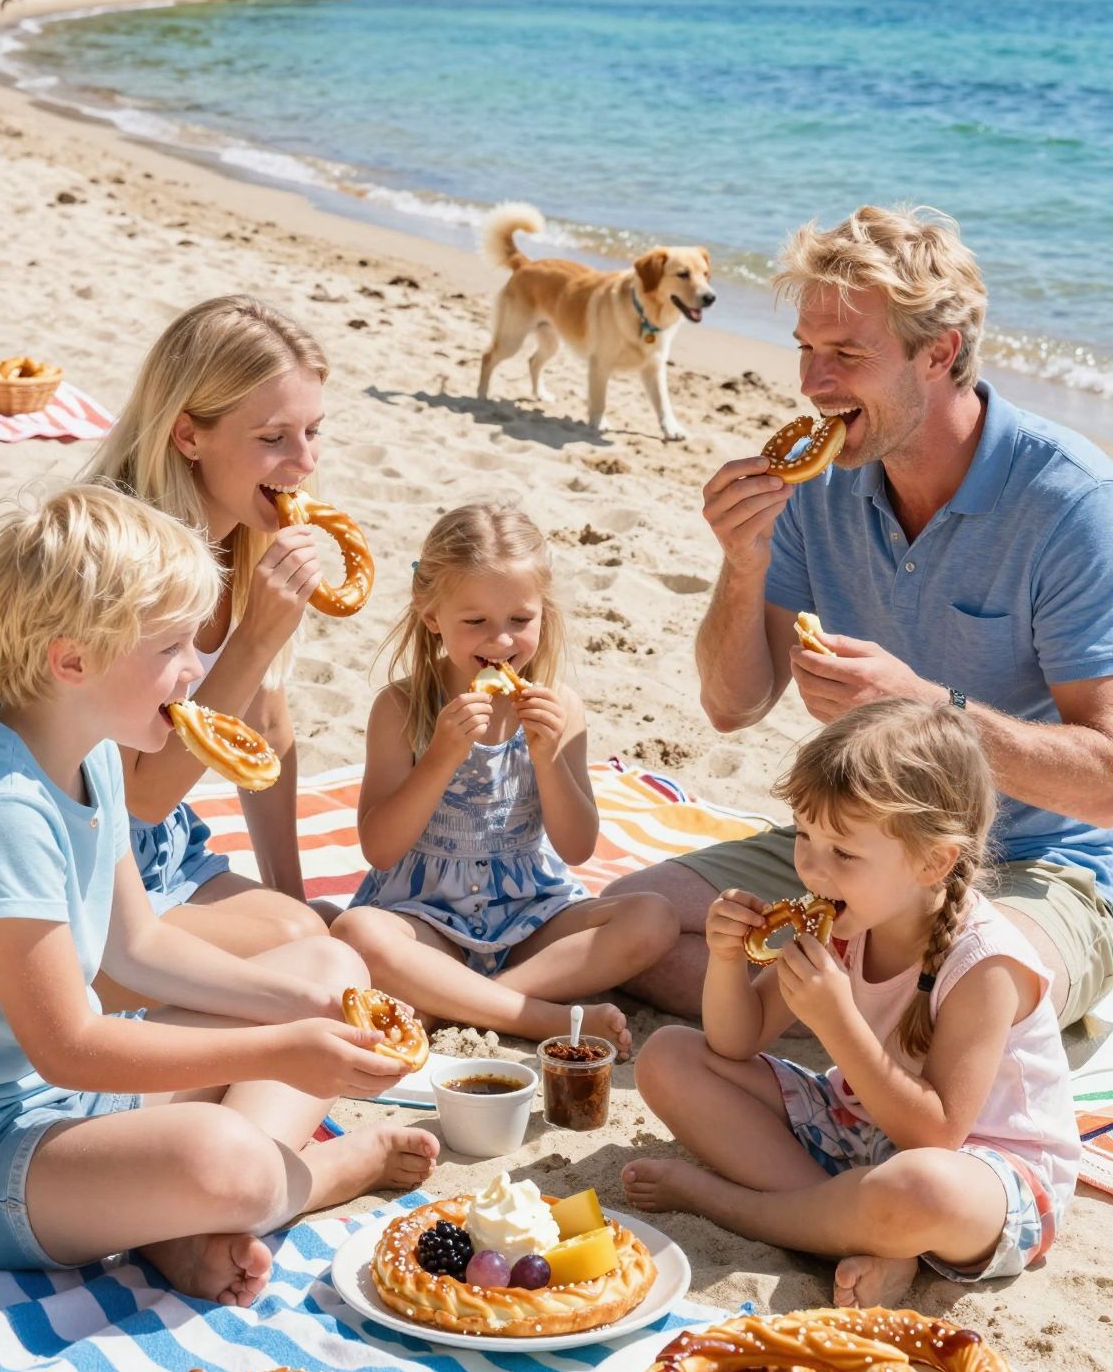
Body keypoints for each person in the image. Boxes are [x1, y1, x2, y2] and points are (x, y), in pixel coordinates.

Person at [603, 205, 1113, 1026]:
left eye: (846, 354)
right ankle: (850, 1016)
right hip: (852, 852)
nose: (811, 384)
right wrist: (744, 564)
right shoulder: (825, 481)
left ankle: (853, 1015)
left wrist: (924, 709)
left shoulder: (1069, 504)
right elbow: (733, 708)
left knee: (960, 1008)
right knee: (623, 926)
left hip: (1035, 866)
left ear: (939, 354)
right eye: (807, 349)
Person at [0, 487, 436, 1303]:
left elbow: (136, 947)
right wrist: (276, 1047)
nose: (194, 670)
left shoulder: (91, 751)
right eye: (173, 647)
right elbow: (66, 1045)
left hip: (71, 1106)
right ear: (72, 661)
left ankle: (177, 1226)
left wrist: (292, 1000)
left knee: (328, 964)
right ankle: (310, 1176)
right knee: (225, 1159)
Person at [0, 296, 352, 1010]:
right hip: (56, 847)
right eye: (273, 438)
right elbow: (140, 794)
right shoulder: (115, 561)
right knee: (303, 959)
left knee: (315, 940)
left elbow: (264, 729)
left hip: (159, 846)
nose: (304, 462)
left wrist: (288, 896)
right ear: (188, 435)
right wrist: (257, 637)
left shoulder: (245, 531)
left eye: (314, 431)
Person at [624, 700, 1079, 1309]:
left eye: (843, 853)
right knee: (669, 1056)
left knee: (918, 1189)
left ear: (933, 861)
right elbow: (737, 1042)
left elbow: (936, 1135)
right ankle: (859, 1236)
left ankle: (740, 1208)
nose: (812, 867)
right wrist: (728, 962)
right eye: (804, 837)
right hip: (860, 1133)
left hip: (981, 1174)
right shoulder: (844, 920)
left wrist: (835, 1020)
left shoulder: (986, 965)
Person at [332, 503, 677, 1046]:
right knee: (354, 932)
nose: (501, 642)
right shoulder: (402, 708)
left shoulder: (560, 706)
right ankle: (531, 1016)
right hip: (426, 918)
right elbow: (379, 849)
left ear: (544, 612)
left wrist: (547, 758)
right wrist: (442, 757)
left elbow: (578, 846)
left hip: (529, 919)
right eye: (475, 623)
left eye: (520, 621)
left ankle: (467, 1003)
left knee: (653, 917)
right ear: (433, 620)